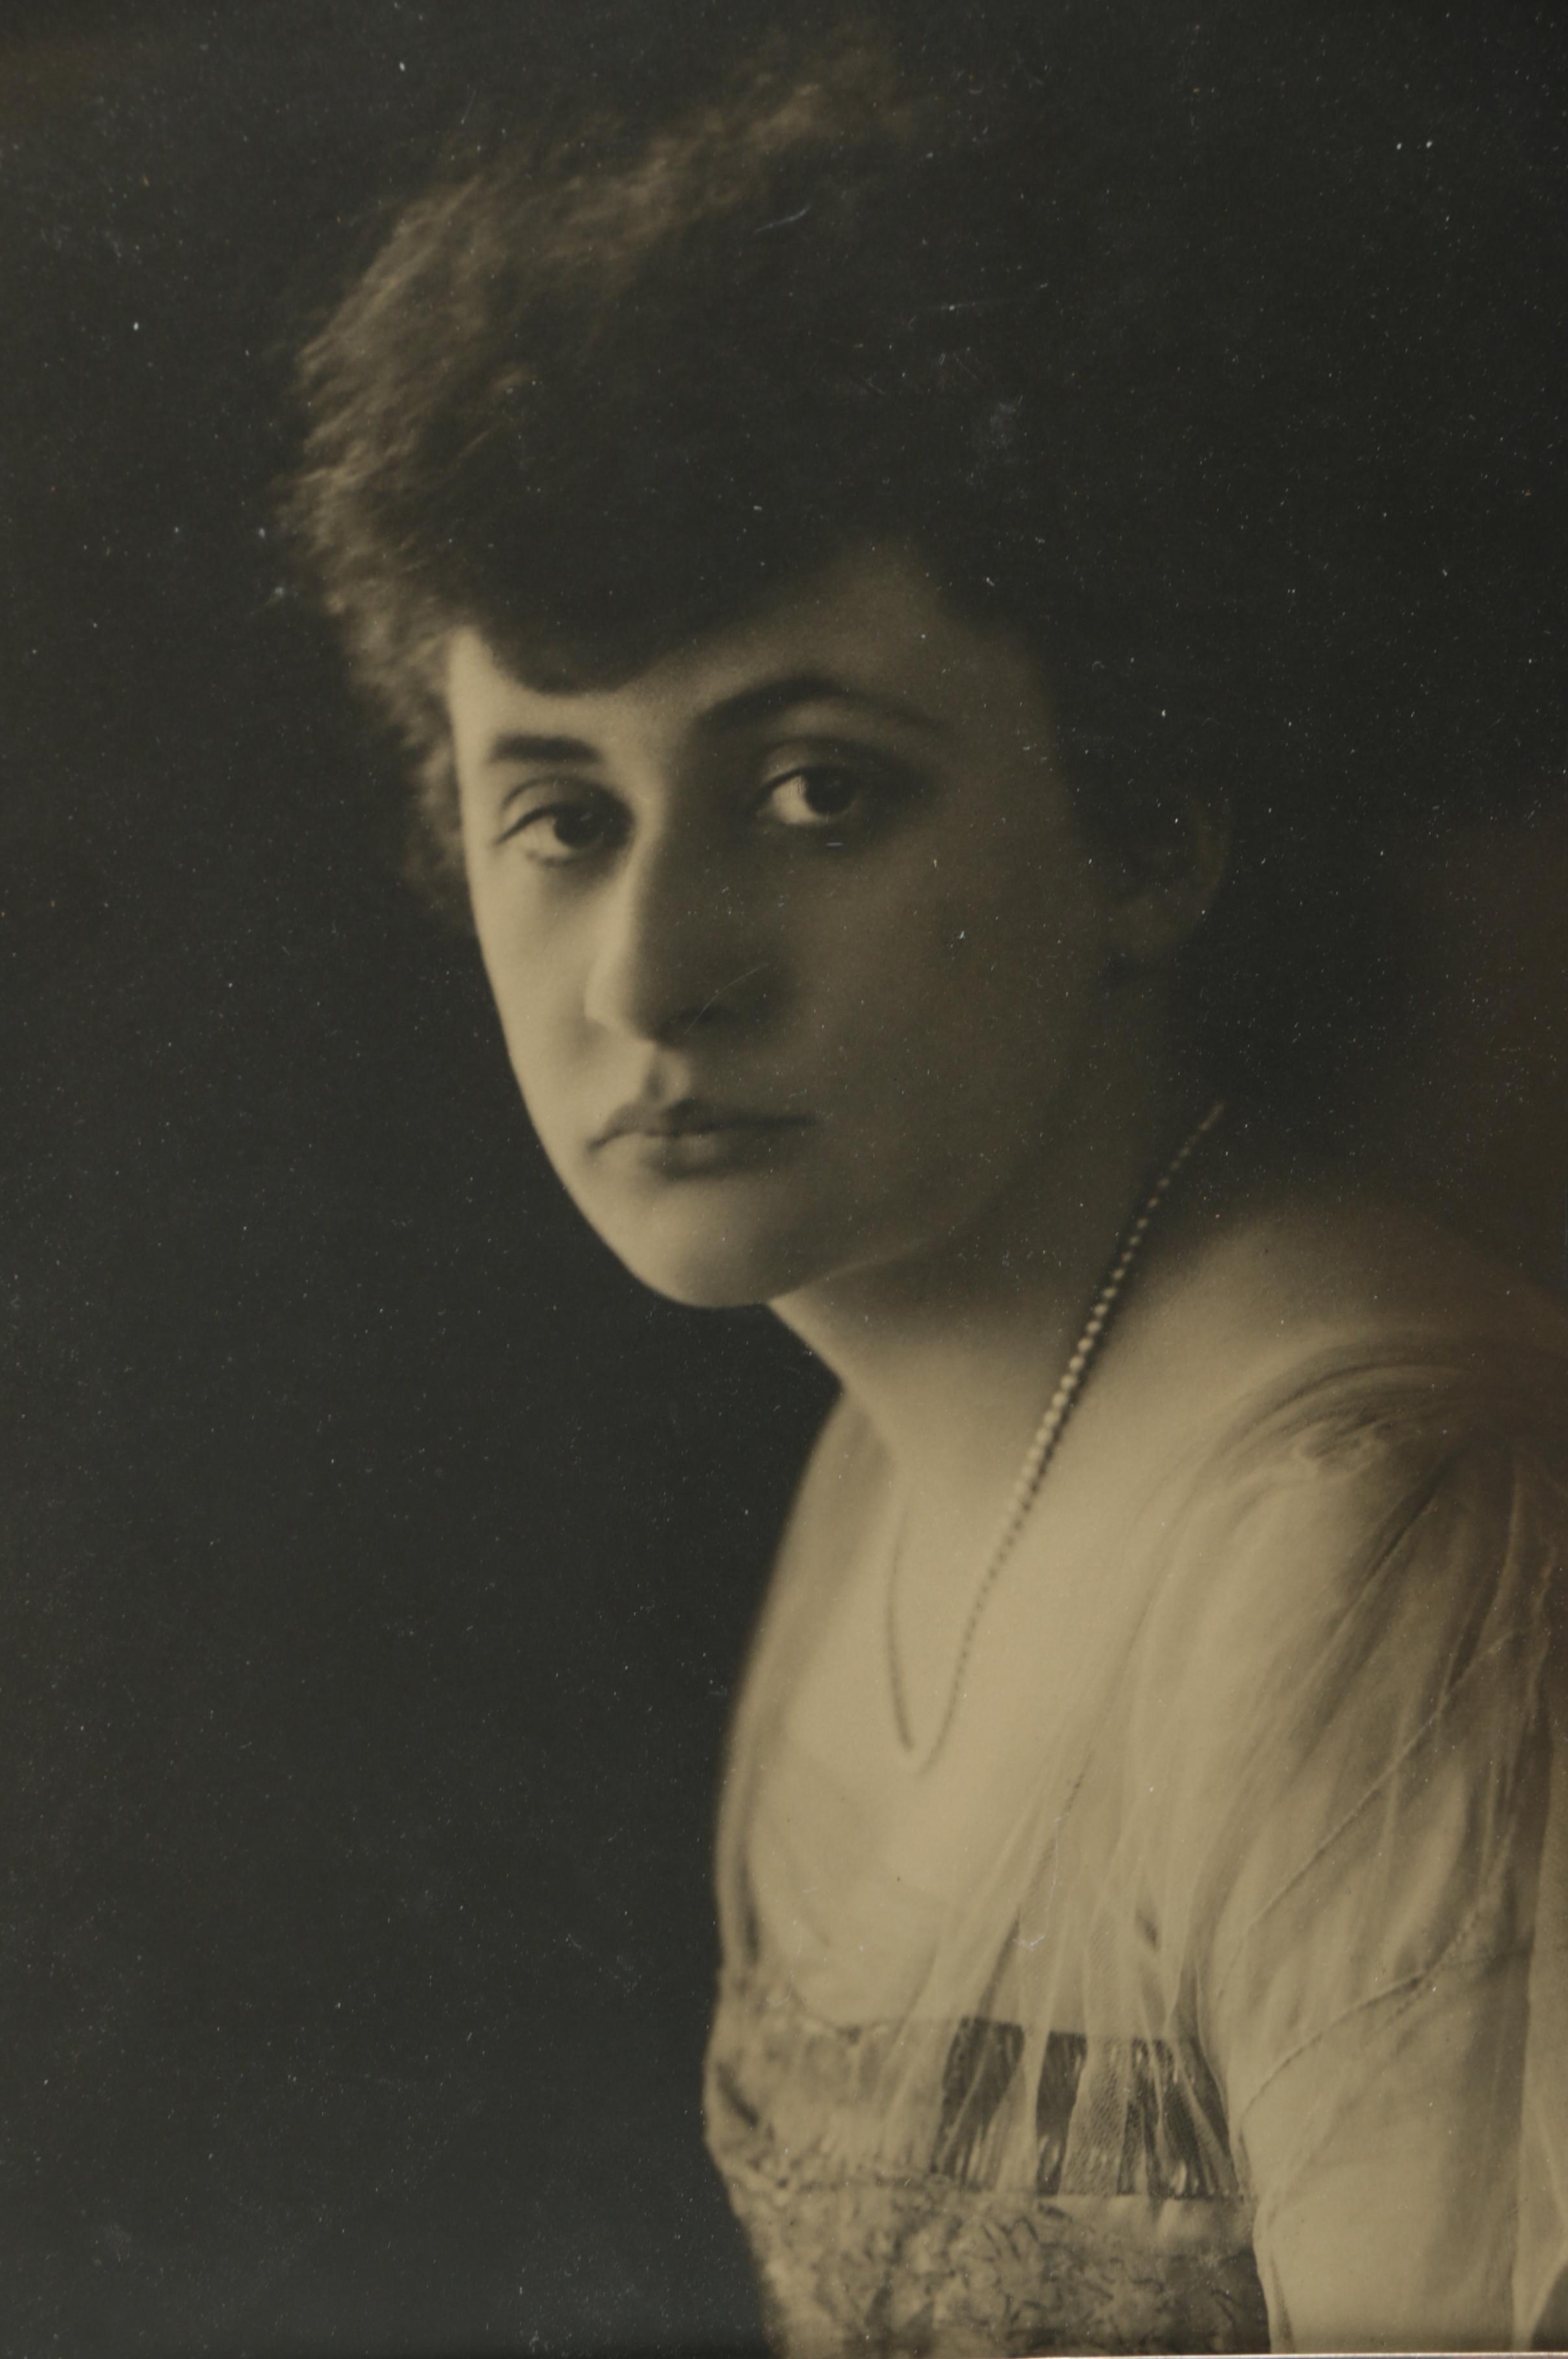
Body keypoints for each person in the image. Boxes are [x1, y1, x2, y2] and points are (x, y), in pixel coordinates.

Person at [285, 6, 1568, 2349]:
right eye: (560, 819)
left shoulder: (1374, 1522)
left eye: (818, 796)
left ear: (1150, 827)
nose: (652, 978)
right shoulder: (887, 1453)